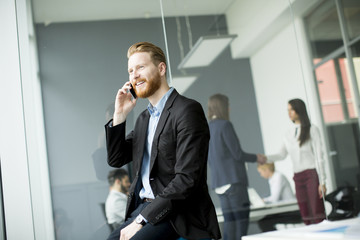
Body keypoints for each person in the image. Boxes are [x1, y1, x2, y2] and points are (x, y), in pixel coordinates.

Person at [105, 42, 221, 240]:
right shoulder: (144, 119)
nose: (134, 75)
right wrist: (119, 114)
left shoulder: (187, 110)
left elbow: (187, 179)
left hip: (178, 213)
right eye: (130, 70)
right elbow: (116, 159)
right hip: (144, 209)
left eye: (140, 67)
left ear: (161, 68)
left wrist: (141, 220)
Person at [207, 93, 266, 240]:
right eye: (227, 105)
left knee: (229, 225)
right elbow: (237, 154)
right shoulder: (225, 125)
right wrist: (256, 158)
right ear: (222, 107)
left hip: (219, 185)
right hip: (234, 183)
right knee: (241, 225)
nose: (230, 108)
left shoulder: (207, 128)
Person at [265, 98, 327, 225]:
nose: (289, 113)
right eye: (288, 110)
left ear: (299, 110)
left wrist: (322, 181)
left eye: (292, 110)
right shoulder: (288, 134)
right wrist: (264, 158)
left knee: (317, 212)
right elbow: (281, 155)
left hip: (311, 175)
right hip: (298, 177)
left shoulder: (312, 130)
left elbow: (319, 157)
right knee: (305, 214)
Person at [256, 163, 301, 232]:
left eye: (260, 172)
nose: (261, 175)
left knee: (264, 222)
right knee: (263, 221)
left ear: (266, 170)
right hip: (285, 210)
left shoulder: (278, 177)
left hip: (292, 211)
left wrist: (263, 200)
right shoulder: (272, 179)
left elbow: (274, 198)